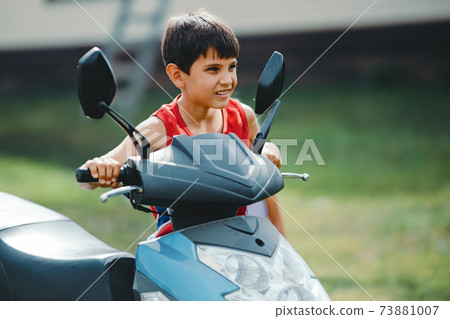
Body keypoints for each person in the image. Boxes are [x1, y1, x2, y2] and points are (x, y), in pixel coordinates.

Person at [78, 11, 281, 235]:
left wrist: (268, 152)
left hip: (238, 241)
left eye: (231, 67)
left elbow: (261, 175)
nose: (227, 79)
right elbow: (87, 177)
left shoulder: (243, 116)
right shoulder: (158, 129)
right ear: (177, 75)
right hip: (178, 249)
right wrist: (99, 170)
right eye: (213, 69)